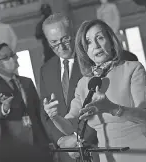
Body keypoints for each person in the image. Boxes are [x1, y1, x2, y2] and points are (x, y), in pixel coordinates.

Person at [44, 19, 146, 162]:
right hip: (108, 156)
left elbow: (145, 114)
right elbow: (70, 126)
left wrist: (113, 108)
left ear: (110, 40)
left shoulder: (133, 68)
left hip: (141, 151)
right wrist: (55, 117)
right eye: (88, 42)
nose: (95, 46)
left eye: (100, 38)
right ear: (84, 50)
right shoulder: (84, 83)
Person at [40, 13, 98, 162]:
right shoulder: (46, 69)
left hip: (95, 146)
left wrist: (78, 139)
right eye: (54, 42)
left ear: (73, 33)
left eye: (65, 39)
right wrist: (61, 141)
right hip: (65, 152)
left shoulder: (92, 60)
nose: (61, 47)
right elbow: (45, 113)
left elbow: (101, 106)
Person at [0, 43, 51, 162]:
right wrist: (3, 108)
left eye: (12, 55)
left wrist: (48, 140)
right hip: (14, 147)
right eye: (6, 57)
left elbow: (38, 113)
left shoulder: (26, 82)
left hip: (39, 141)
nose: (12, 59)